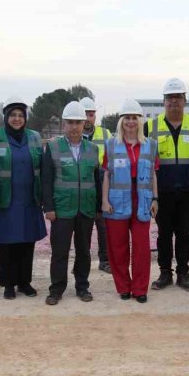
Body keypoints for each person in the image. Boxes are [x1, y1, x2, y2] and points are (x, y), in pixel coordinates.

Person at [146, 77, 189, 292]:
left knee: (184, 233)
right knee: (163, 233)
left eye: (178, 97)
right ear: (164, 101)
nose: (174, 101)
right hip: (162, 191)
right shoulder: (150, 127)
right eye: (170, 97)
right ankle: (165, 273)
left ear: (185, 100)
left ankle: (183, 273)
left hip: (188, 190)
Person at [42, 101, 103, 305]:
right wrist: (48, 207)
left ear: (84, 124)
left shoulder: (92, 149)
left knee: (84, 251)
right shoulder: (53, 147)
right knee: (60, 252)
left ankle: (82, 287)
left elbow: (96, 180)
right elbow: (46, 180)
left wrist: (97, 208)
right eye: (70, 122)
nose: (74, 127)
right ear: (64, 124)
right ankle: (56, 289)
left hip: (85, 209)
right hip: (62, 209)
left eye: (78, 122)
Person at [0, 96, 46, 299]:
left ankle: (24, 282)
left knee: (27, 242)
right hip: (4, 200)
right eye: (13, 115)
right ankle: (8, 284)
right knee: (6, 243)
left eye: (21, 115)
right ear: (6, 117)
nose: (17, 119)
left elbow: (42, 168)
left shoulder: (35, 137)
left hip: (29, 199)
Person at [101, 99, 159, 303]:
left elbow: (153, 174)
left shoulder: (151, 145)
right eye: (127, 118)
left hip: (142, 201)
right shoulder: (111, 144)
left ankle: (140, 289)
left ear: (140, 121)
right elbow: (107, 174)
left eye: (134, 118)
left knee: (142, 247)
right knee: (118, 247)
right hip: (116, 200)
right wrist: (104, 201)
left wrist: (155, 199)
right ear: (121, 121)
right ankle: (123, 286)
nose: (131, 122)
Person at [81, 96, 111, 274]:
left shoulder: (106, 135)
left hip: (102, 183)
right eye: (85, 114)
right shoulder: (73, 135)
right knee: (83, 227)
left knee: (103, 226)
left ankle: (105, 260)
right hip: (83, 184)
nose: (87, 118)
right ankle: (82, 261)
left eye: (91, 115)